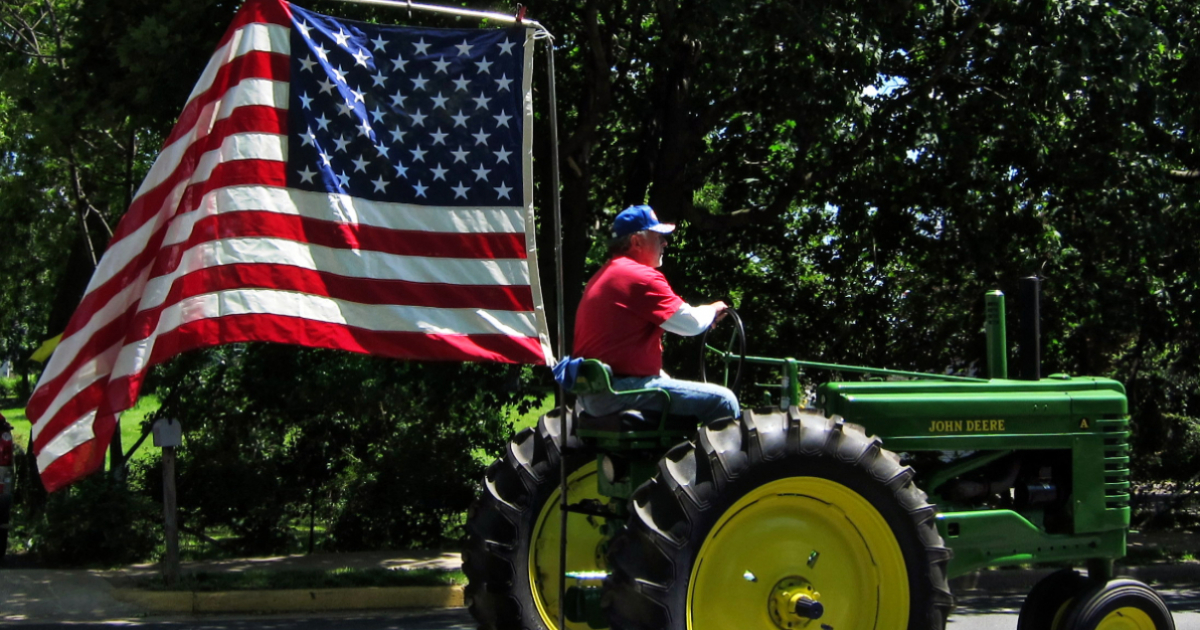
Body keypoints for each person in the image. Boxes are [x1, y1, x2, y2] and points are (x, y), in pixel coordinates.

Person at [572, 205, 739, 424]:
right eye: (658, 236)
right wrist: (712, 310)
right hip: (619, 391)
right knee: (725, 401)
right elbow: (692, 324)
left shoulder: (602, 276)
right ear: (636, 241)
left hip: (593, 396)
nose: (665, 243)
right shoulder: (639, 277)